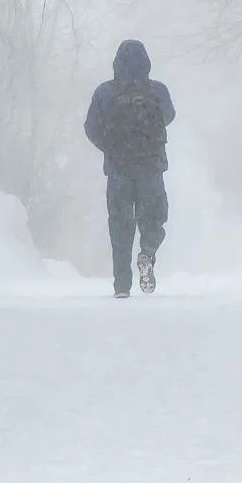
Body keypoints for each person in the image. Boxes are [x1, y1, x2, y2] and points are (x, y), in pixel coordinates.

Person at [84, 39, 176, 298]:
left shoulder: (104, 92)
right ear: (146, 62)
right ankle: (147, 252)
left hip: (119, 171)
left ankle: (122, 285)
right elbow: (169, 116)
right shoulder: (157, 91)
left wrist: (109, 148)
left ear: (116, 63)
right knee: (154, 217)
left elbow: (91, 127)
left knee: (120, 225)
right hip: (151, 168)